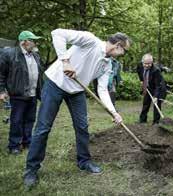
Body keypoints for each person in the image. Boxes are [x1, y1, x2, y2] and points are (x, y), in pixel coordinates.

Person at [24, 28, 131, 188]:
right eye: (124, 50)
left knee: (82, 127)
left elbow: (102, 89)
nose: (123, 54)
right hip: (56, 83)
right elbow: (57, 33)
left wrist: (114, 112)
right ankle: (31, 170)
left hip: (77, 91)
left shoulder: (107, 64)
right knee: (43, 127)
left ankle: (84, 161)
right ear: (117, 45)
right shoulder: (90, 40)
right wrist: (65, 61)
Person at [0, 31, 43, 154]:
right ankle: (14, 145)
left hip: (33, 93)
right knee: (17, 120)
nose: (35, 43)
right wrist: (1, 91)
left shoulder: (36, 55)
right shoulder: (9, 54)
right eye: (32, 40)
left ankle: (27, 142)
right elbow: (1, 74)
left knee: (30, 119)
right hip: (18, 94)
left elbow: (39, 75)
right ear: (24, 42)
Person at [137, 53, 167, 124]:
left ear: (152, 62)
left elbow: (158, 85)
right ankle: (142, 120)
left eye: (149, 63)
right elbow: (139, 71)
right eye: (145, 63)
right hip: (149, 86)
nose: (147, 65)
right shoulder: (140, 65)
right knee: (146, 103)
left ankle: (156, 122)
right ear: (142, 62)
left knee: (157, 105)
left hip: (159, 88)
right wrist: (142, 80)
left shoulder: (156, 70)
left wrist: (156, 96)